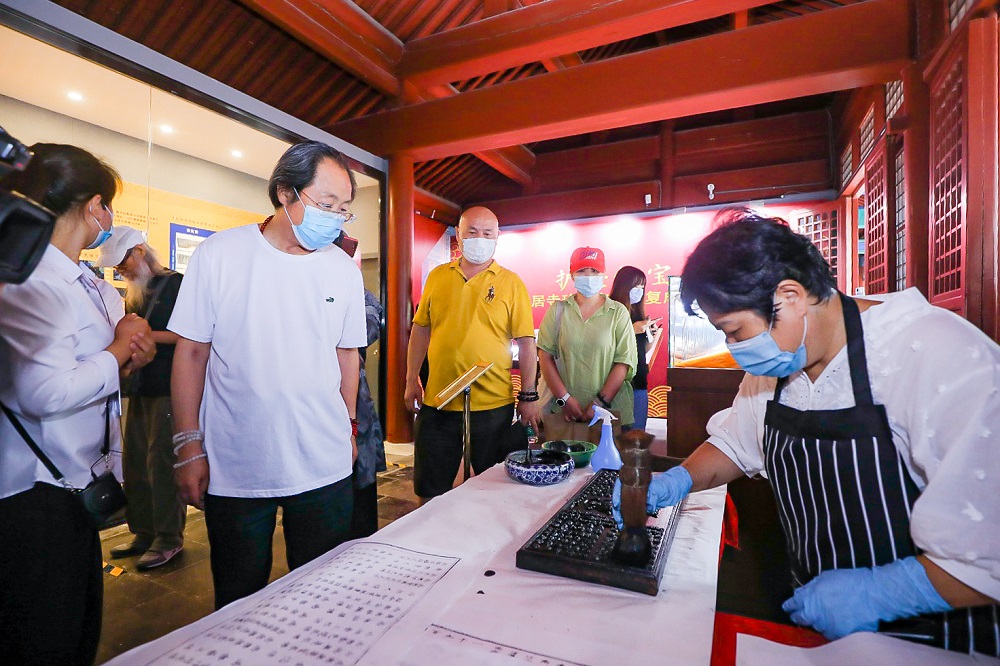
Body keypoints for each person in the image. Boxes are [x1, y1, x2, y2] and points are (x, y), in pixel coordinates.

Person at [614, 210, 1000, 657]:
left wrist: (883, 592)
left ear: (791, 297)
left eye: (735, 331)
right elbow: (736, 445)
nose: (735, 350)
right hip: (819, 620)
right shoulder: (782, 361)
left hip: (934, 639)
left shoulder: (933, 352)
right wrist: (677, 480)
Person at [169, 141, 367, 609]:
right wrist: (187, 445)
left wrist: (350, 425)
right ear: (285, 192)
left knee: (321, 598)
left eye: (344, 210)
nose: (335, 217)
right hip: (238, 463)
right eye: (325, 204)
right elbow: (192, 353)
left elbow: (347, 355)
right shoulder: (221, 254)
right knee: (238, 598)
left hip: (323, 459)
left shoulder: (341, 269)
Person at [0, 143, 155, 665]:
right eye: (107, 207)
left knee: (78, 628)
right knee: (46, 636)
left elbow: (103, 359)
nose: (108, 220)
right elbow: (43, 392)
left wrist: (129, 351)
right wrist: (117, 351)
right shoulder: (32, 281)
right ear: (94, 207)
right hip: (35, 493)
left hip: (77, 484)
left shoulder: (81, 278)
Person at [405, 206, 540, 502]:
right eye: (472, 232)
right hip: (438, 401)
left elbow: (527, 343)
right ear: (459, 234)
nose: (479, 238)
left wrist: (528, 396)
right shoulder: (438, 276)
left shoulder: (511, 282)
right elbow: (421, 329)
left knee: (496, 488)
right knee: (430, 488)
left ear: (497, 237)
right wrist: (411, 378)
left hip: (492, 405)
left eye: (487, 233)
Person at [97, 227, 187, 570]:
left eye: (123, 264)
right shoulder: (134, 294)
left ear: (139, 251)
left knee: (162, 464)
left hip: (168, 387)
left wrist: (145, 334)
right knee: (135, 462)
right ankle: (143, 531)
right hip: (138, 386)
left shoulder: (176, 284)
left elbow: (189, 334)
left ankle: (168, 538)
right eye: (117, 268)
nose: (122, 271)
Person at [538, 247, 637, 427]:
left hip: (609, 412)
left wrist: (599, 403)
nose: (589, 276)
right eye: (582, 270)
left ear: (603, 274)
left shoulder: (617, 312)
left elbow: (624, 362)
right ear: (572, 274)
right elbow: (545, 356)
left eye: (595, 271)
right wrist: (565, 399)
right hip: (564, 412)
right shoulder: (558, 310)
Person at [610, 265, 659, 432]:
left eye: (642, 287)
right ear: (623, 286)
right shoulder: (610, 311)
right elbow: (605, 346)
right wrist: (632, 329)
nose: (639, 291)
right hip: (615, 386)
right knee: (615, 436)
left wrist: (651, 336)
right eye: (635, 286)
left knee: (637, 439)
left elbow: (640, 351)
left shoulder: (638, 314)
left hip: (639, 383)